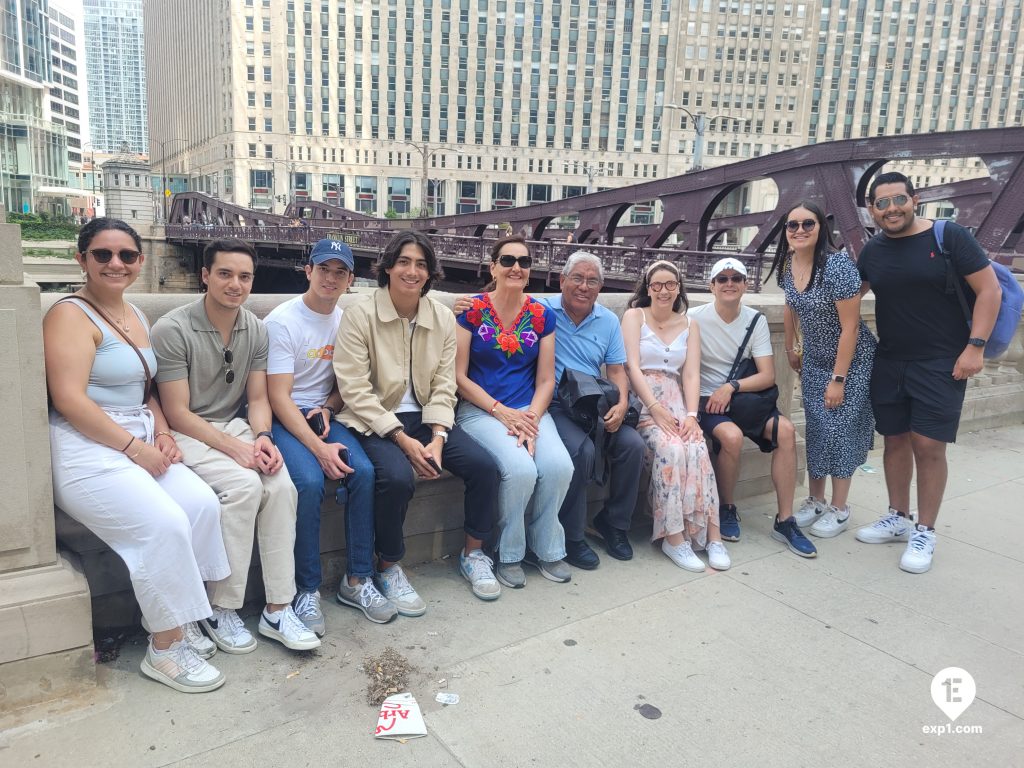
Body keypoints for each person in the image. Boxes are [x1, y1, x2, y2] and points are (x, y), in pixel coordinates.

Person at [45, 218, 230, 693]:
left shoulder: (135, 314)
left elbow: (144, 390)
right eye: (102, 254)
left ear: (139, 261)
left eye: (127, 255)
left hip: (140, 435)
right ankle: (164, 650)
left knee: (202, 505)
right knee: (163, 524)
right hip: (88, 446)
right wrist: (134, 449)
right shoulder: (69, 315)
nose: (115, 263)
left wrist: (163, 433)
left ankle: (183, 617)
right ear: (81, 259)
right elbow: (69, 399)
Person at [153, 238, 320, 654]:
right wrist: (235, 449)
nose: (235, 284)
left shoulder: (256, 328)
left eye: (244, 276)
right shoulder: (172, 329)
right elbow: (176, 412)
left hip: (238, 427)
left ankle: (278, 607)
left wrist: (262, 438)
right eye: (225, 274)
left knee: (282, 487)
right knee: (244, 488)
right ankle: (219, 607)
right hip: (189, 432)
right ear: (205, 275)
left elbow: (259, 400)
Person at [334, 231, 502, 610]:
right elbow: (354, 388)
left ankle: (473, 554)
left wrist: (439, 437)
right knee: (395, 478)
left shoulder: (441, 318)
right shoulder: (359, 314)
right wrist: (400, 439)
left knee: (484, 467)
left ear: (430, 274)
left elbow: (445, 384)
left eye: (422, 264)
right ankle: (388, 566)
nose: (412, 271)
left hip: (428, 418)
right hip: (374, 419)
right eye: (405, 262)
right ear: (388, 267)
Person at [452, 252, 647, 569]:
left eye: (592, 281)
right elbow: (460, 374)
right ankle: (553, 543)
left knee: (628, 448)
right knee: (565, 457)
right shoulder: (536, 310)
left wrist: (623, 402)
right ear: (562, 281)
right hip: (546, 404)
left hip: (578, 404)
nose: (584, 287)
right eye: (577, 278)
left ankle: (609, 527)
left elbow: (614, 371)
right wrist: (459, 306)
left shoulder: (578, 318)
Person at [855, 171, 1001, 573]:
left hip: (942, 361)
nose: (891, 209)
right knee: (895, 440)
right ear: (872, 210)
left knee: (929, 445)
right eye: (882, 204)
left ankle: (926, 530)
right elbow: (848, 301)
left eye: (898, 199)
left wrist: (975, 347)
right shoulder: (873, 250)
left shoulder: (948, 237)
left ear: (914, 198)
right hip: (889, 360)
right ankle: (897, 517)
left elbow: (990, 290)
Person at [266, 239, 397, 631]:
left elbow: (348, 382)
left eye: (340, 272)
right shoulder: (282, 321)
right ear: (308, 271)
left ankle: (357, 579)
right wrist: (319, 448)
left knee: (366, 473)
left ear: (351, 280)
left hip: (324, 413)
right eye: (324, 269)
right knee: (307, 481)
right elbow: (277, 395)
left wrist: (328, 408)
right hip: (284, 415)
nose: (331, 278)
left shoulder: (347, 321)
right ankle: (306, 590)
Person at [454, 236, 574, 588]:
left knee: (558, 466)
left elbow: (547, 379)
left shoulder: (541, 315)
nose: (516, 267)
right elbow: (458, 377)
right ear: (493, 267)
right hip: (481, 411)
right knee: (520, 469)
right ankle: (508, 554)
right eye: (507, 260)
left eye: (523, 261)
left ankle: (548, 548)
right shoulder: (471, 311)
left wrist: (531, 418)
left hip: (529, 412)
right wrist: (501, 412)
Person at [690, 257, 817, 558]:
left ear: (746, 285)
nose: (729, 284)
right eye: (723, 279)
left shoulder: (755, 320)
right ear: (712, 286)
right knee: (731, 438)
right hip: (708, 402)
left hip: (741, 399)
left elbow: (767, 375)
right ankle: (727, 508)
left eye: (737, 279)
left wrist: (731, 386)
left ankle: (785, 520)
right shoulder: (694, 318)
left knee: (786, 431)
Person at [766, 202, 877, 538]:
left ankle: (840, 509)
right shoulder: (788, 264)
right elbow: (790, 305)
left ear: (820, 229)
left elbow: (851, 328)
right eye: (792, 225)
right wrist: (791, 347)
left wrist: (838, 379)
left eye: (807, 224)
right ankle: (816, 499)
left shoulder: (837, 268)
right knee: (816, 429)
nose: (799, 231)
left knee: (841, 430)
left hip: (851, 361)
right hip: (814, 358)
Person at [621, 261, 730, 571]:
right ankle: (674, 538)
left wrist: (693, 415)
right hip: (643, 404)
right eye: (657, 285)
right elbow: (631, 366)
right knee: (670, 450)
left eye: (670, 284)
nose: (664, 290)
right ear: (647, 288)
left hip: (678, 403)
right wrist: (653, 408)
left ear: (679, 288)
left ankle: (713, 536)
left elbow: (691, 373)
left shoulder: (689, 324)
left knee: (697, 447)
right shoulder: (634, 317)